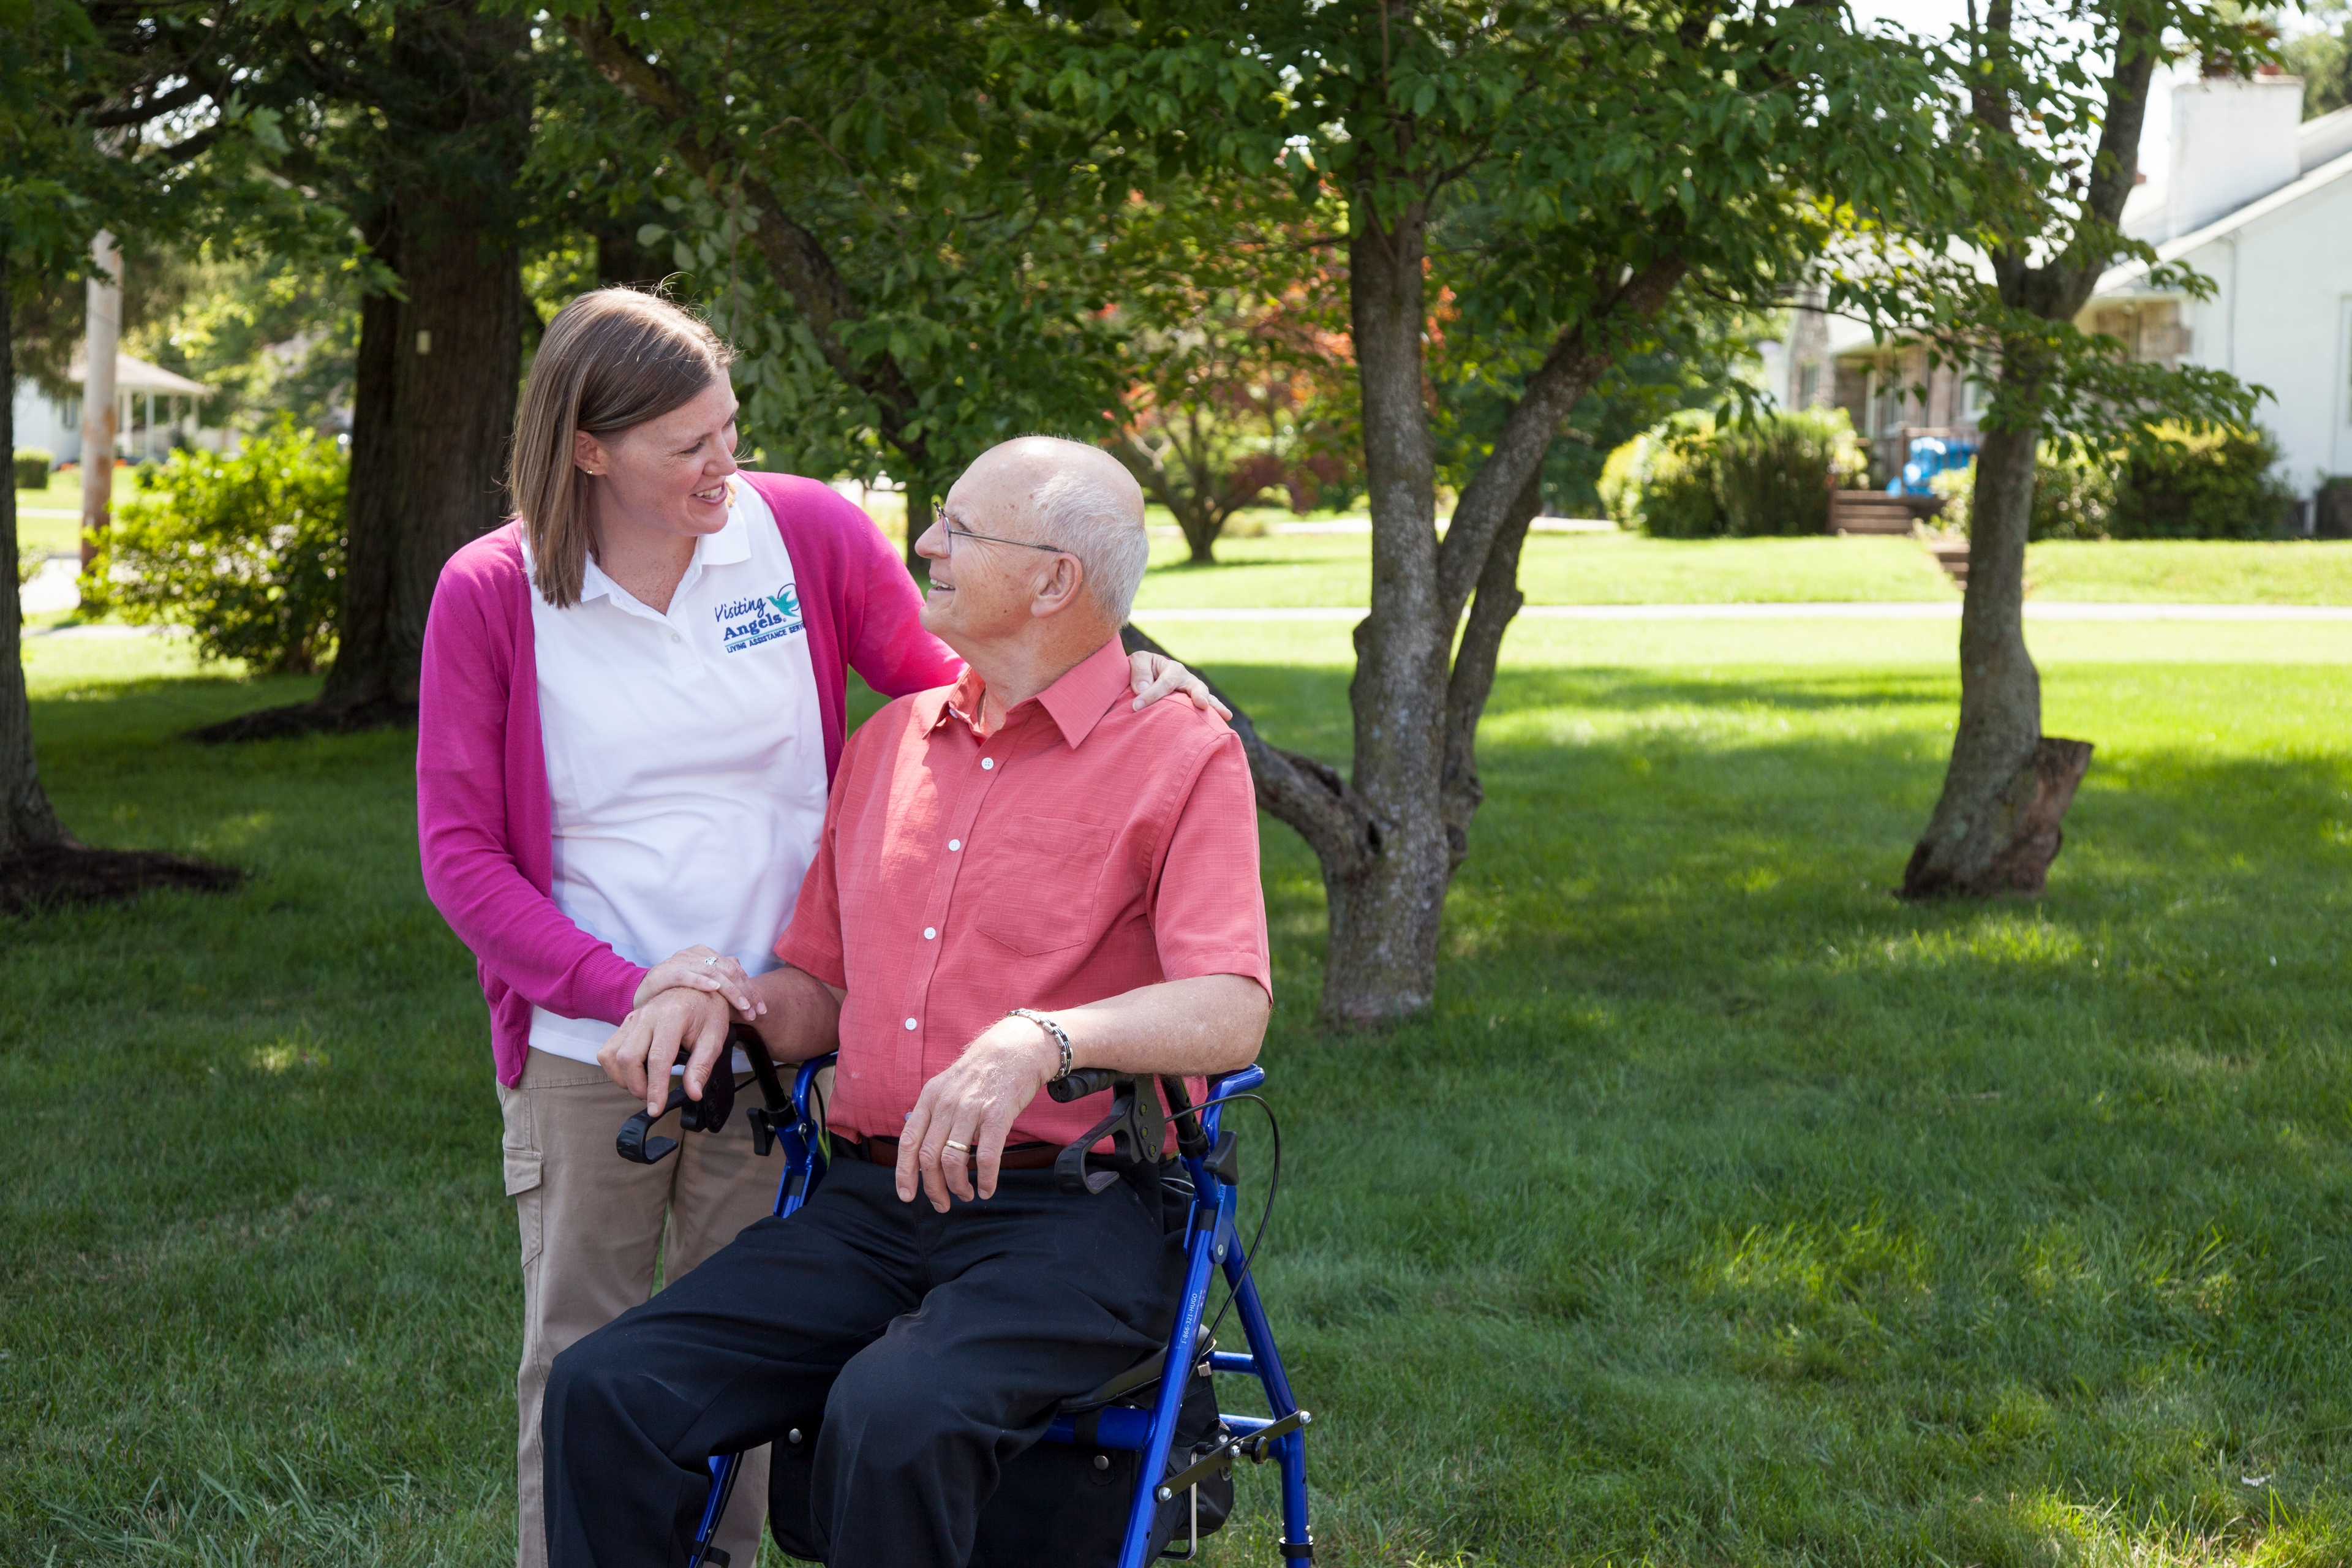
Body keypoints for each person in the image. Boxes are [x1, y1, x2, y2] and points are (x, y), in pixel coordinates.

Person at [415, 291, 1224, 1568]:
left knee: (802, 1398)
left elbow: (967, 685)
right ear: (588, 448)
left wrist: (1133, 676)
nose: (721, 461)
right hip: (608, 1031)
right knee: (592, 1365)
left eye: (728, 426)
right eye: (686, 445)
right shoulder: (498, 589)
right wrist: (634, 987)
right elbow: (461, 852)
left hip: (791, 1036)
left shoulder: (797, 533)